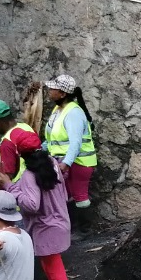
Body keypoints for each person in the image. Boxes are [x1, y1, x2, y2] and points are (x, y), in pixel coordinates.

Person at [3, 150, 73, 280]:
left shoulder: (29, 175)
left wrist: (10, 187)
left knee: (56, 272)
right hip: (60, 221)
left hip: (46, 229)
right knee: (50, 269)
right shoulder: (52, 163)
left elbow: (32, 204)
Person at [42, 75, 98, 224]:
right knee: (67, 194)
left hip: (79, 162)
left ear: (62, 93)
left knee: (80, 195)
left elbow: (76, 142)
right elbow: (53, 137)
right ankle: (71, 226)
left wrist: (66, 163)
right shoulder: (58, 109)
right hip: (67, 160)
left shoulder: (73, 112)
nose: (50, 90)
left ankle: (84, 229)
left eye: (53, 88)